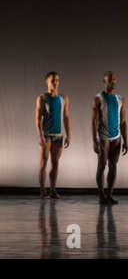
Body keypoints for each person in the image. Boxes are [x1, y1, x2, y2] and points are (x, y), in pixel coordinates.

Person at [92, 71, 128, 205]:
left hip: (116, 137)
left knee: (113, 166)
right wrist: (95, 141)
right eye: (109, 79)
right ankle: (101, 195)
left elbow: (123, 121)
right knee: (102, 165)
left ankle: (109, 195)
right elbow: (94, 121)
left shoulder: (120, 99)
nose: (112, 81)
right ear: (104, 81)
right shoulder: (98, 98)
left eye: (114, 79)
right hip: (103, 137)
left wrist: (126, 140)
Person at [36, 71, 71, 199]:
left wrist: (68, 134)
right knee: (43, 163)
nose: (55, 82)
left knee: (55, 163)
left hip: (58, 135)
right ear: (47, 82)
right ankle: (42, 191)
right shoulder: (42, 98)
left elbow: (66, 117)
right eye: (52, 80)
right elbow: (38, 118)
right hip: (46, 135)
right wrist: (40, 135)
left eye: (57, 80)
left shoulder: (63, 98)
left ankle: (52, 190)